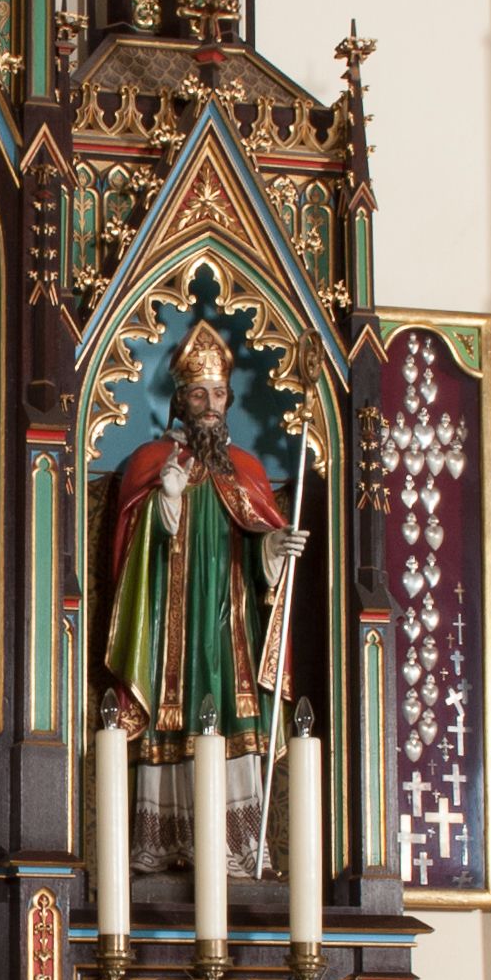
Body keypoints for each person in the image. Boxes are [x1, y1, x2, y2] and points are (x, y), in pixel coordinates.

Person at [103, 318, 304, 872]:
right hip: (173, 626)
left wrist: (273, 546)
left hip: (231, 624)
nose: (210, 405)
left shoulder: (247, 469)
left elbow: (260, 551)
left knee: (235, 713)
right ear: (181, 401)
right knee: (174, 712)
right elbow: (131, 553)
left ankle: (237, 847)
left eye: (218, 394)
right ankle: (167, 843)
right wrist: (165, 501)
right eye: (199, 394)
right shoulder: (152, 463)